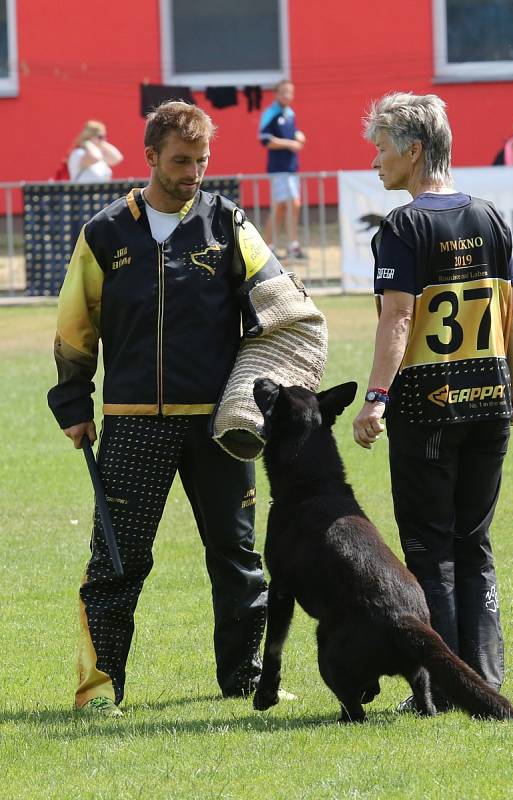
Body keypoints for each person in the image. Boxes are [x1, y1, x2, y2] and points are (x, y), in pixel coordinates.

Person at [48, 101, 291, 717]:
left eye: (202, 161)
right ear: (150, 156)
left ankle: (244, 680)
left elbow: (282, 310)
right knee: (116, 562)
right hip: (132, 422)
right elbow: (76, 327)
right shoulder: (104, 232)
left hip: (221, 425)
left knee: (238, 559)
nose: (194, 172)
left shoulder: (230, 223)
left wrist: (271, 385)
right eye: (182, 161)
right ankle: (100, 691)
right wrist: (75, 401)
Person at [352, 92, 513, 711]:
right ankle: (486, 674)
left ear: (413, 149)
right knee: (473, 541)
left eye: (380, 147)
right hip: (490, 403)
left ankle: (446, 690)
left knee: (428, 546)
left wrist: (375, 398)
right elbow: (512, 314)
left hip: (427, 407)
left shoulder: (404, 227)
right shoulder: (489, 216)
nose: (375, 161)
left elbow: (397, 318)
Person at [259, 79, 306, 259]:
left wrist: (298, 135)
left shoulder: (290, 113)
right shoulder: (270, 113)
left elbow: (291, 133)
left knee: (294, 205)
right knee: (280, 206)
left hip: (291, 167)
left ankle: (293, 245)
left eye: (290, 92)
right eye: (284, 92)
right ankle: (269, 245)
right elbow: (265, 139)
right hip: (278, 168)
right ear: (277, 94)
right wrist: (290, 143)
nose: (288, 96)